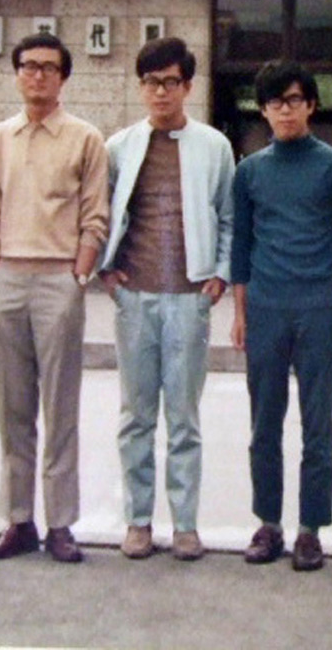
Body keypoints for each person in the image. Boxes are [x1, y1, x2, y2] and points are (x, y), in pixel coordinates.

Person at [230, 60, 332, 572]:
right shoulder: (249, 171)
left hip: (318, 306)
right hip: (266, 306)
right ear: (263, 110)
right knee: (263, 424)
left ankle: (311, 529)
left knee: (318, 425)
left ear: (311, 105)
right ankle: (268, 524)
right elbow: (240, 246)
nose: (285, 110)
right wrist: (240, 313)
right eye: (275, 102)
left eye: (294, 100)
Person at [0, 33, 109, 564]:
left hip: (60, 281)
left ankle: (60, 524)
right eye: (28, 66)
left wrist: (79, 274)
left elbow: (95, 215)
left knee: (60, 407)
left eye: (49, 67)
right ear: (16, 74)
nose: (38, 75)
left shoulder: (85, 139)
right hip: (8, 277)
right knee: (12, 408)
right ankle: (17, 521)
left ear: (63, 77)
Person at [99, 37, 235, 562]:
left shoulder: (214, 147)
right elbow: (103, 213)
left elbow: (228, 217)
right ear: (140, 87)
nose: (161, 92)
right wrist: (108, 272)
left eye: (171, 82)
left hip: (188, 297)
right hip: (135, 297)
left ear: (188, 86)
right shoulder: (119, 147)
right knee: (136, 416)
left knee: (184, 418)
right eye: (152, 82)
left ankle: (184, 525)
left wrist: (219, 275)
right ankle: (137, 522)